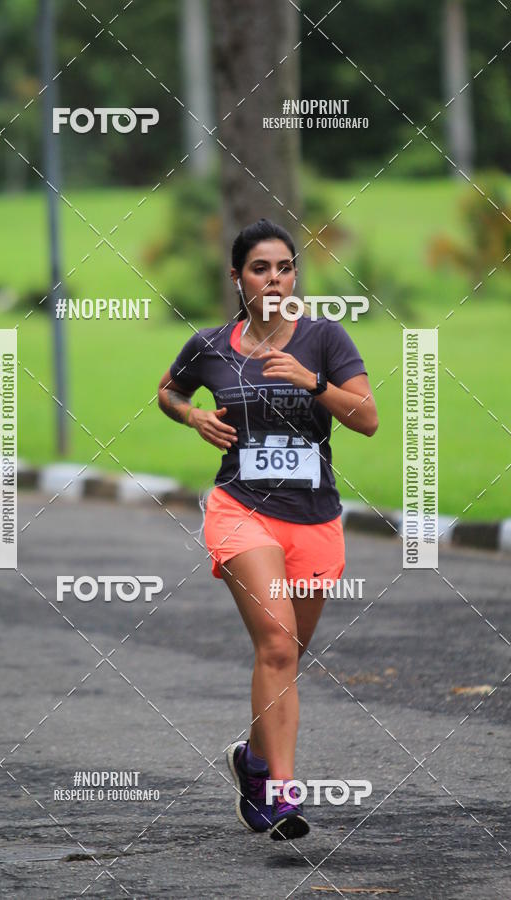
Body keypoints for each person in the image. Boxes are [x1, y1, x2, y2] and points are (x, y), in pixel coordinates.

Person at [157, 218, 378, 841]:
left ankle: (252, 763)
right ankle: (281, 796)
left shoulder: (324, 340)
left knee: (287, 659)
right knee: (277, 647)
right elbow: (167, 393)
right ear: (237, 278)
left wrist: (311, 381)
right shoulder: (210, 346)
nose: (274, 279)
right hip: (240, 510)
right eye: (261, 269)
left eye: (284, 267)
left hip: (315, 519)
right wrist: (193, 415)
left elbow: (367, 420)